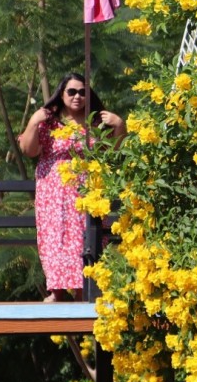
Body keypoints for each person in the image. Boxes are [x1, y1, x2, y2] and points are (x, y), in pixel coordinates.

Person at [19, 73, 125, 302]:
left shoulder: (97, 122)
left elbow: (114, 154)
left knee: (85, 237)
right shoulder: (49, 121)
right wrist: (33, 122)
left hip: (87, 190)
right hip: (54, 192)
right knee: (56, 238)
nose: (78, 96)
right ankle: (56, 291)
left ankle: (83, 290)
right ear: (61, 93)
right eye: (72, 92)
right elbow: (29, 150)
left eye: (83, 92)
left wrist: (119, 126)